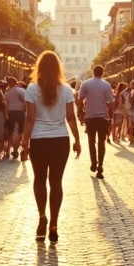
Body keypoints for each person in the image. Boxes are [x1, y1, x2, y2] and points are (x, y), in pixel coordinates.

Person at [19, 51, 80, 242]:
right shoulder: (66, 90)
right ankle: (54, 223)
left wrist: (25, 142)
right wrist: (77, 140)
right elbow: (70, 117)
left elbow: (29, 118)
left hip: (39, 139)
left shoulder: (31, 88)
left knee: (39, 179)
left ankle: (42, 217)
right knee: (56, 182)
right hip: (60, 139)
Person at [77, 64, 115, 177]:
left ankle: (93, 162)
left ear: (93, 72)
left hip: (90, 117)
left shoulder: (86, 84)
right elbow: (111, 102)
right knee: (101, 142)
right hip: (103, 117)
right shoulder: (106, 85)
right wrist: (111, 116)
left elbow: (80, 99)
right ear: (102, 73)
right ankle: (100, 166)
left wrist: (81, 111)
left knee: (91, 141)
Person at [4, 77, 26, 159]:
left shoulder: (7, 93)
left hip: (10, 113)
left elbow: (5, 104)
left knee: (12, 131)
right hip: (19, 112)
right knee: (18, 131)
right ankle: (16, 149)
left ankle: (11, 149)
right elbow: (26, 100)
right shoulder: (20, 90)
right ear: (16, 82)